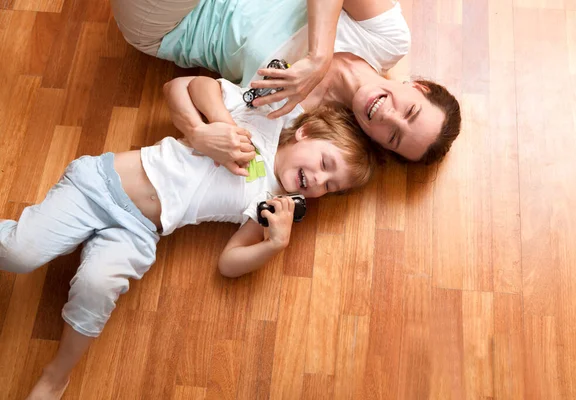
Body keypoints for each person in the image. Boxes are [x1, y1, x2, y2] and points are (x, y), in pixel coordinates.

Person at [1, 76, 376, 399]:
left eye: (331, 186)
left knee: (97, 290)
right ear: (306, 133)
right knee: (20, 253)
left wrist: (273, 243)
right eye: (325, 164)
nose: (320, 181)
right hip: (99, 184)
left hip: (140, 230)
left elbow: (229, 263)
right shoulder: (262, 121)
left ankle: (56, 376)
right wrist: (220, 125)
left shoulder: (269, 202)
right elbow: (196, 86)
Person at [110, 0, 461, 165]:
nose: (389, 117)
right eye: (410, 111)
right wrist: (319, 58)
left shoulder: (296, 121)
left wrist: (201, 134)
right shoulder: (387, 40)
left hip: (178, 22)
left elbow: (178, 91)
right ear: (419, 88)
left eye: (394, 137)